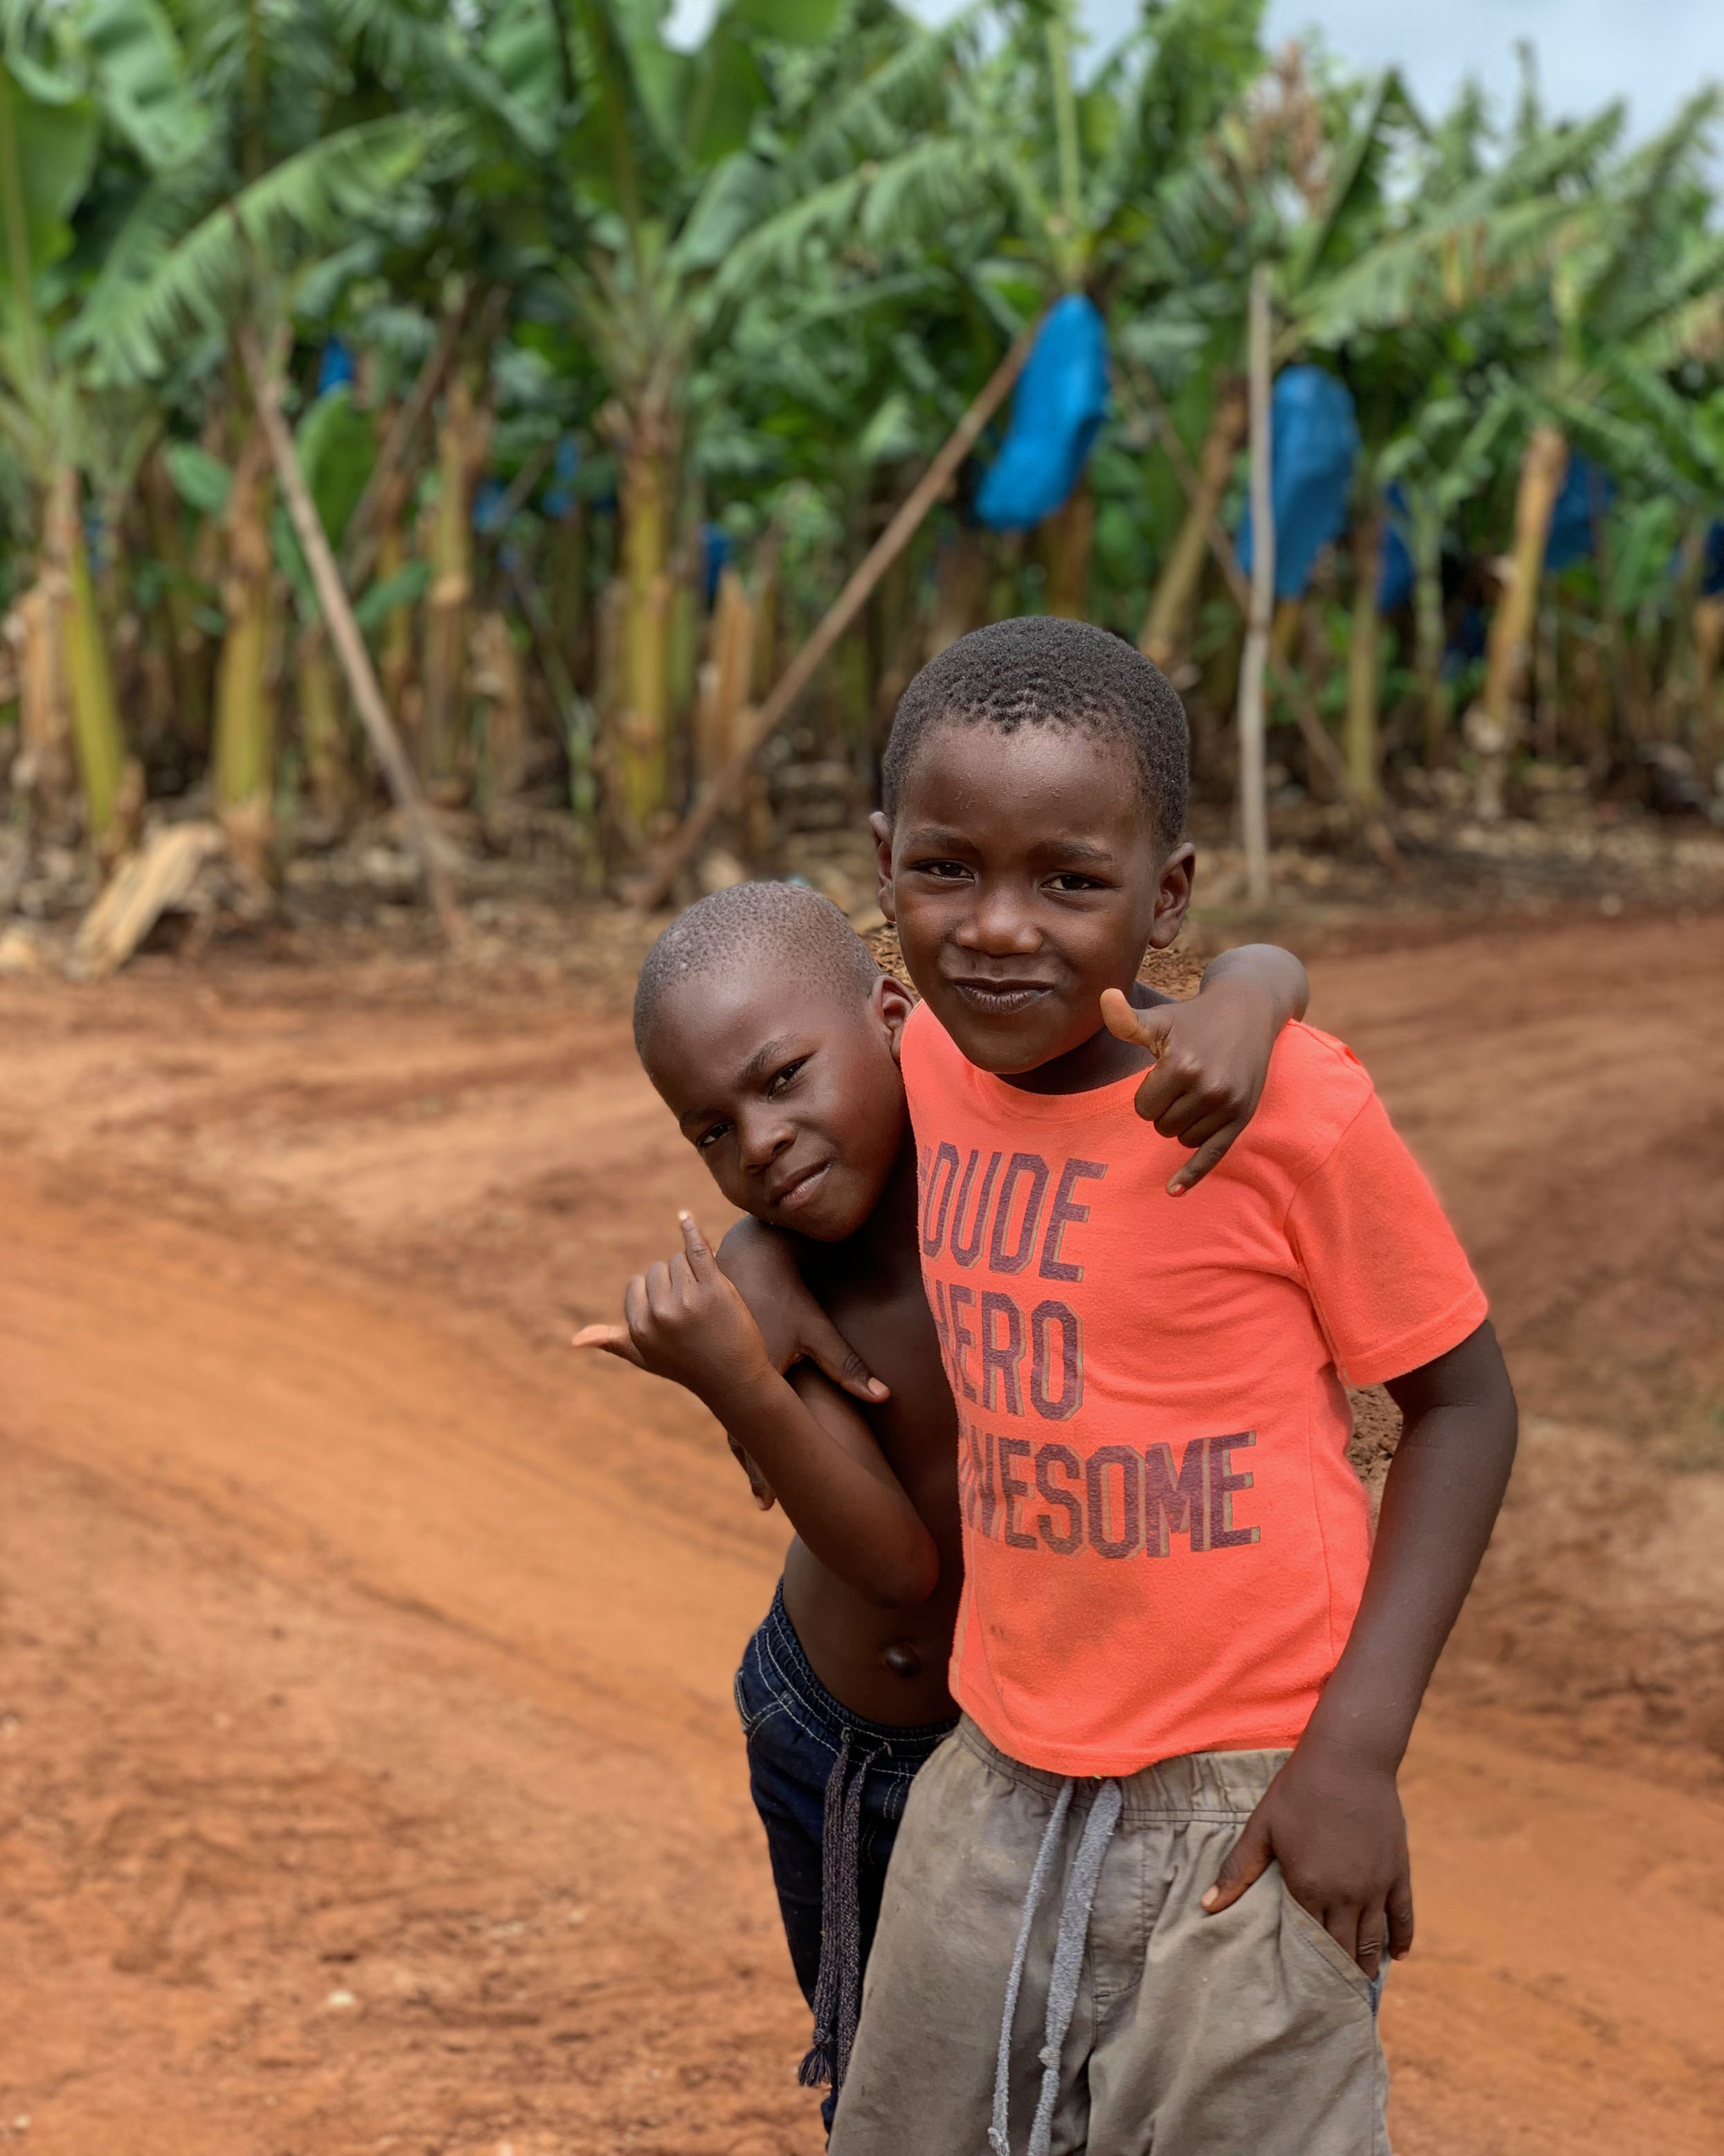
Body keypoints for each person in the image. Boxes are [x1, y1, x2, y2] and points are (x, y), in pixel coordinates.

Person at [791, 614, 1515, 2156]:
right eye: (944, 868)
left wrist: (1353, 1754)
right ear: (882, 862)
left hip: (1247, 1801)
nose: (998, 927)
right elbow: (765, 1127)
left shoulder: (1286, 1108)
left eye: (1068, 880)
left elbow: (1462, 1404)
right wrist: (735, 1276)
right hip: (991, 1770)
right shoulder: (913, 1063)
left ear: (1163, 890)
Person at [576, 879, 1310, 2127]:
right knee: (899, 2109)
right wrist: (737, 1382)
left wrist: (1251, 992)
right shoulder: (782, 1272)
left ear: (895, 1012)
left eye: (786, 1076)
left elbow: (1254, 970)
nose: (759, 1141)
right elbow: (898, 1567)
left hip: (1053, 1755)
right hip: (858, 1750)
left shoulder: (1011, 1139)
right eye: (710, 1129)